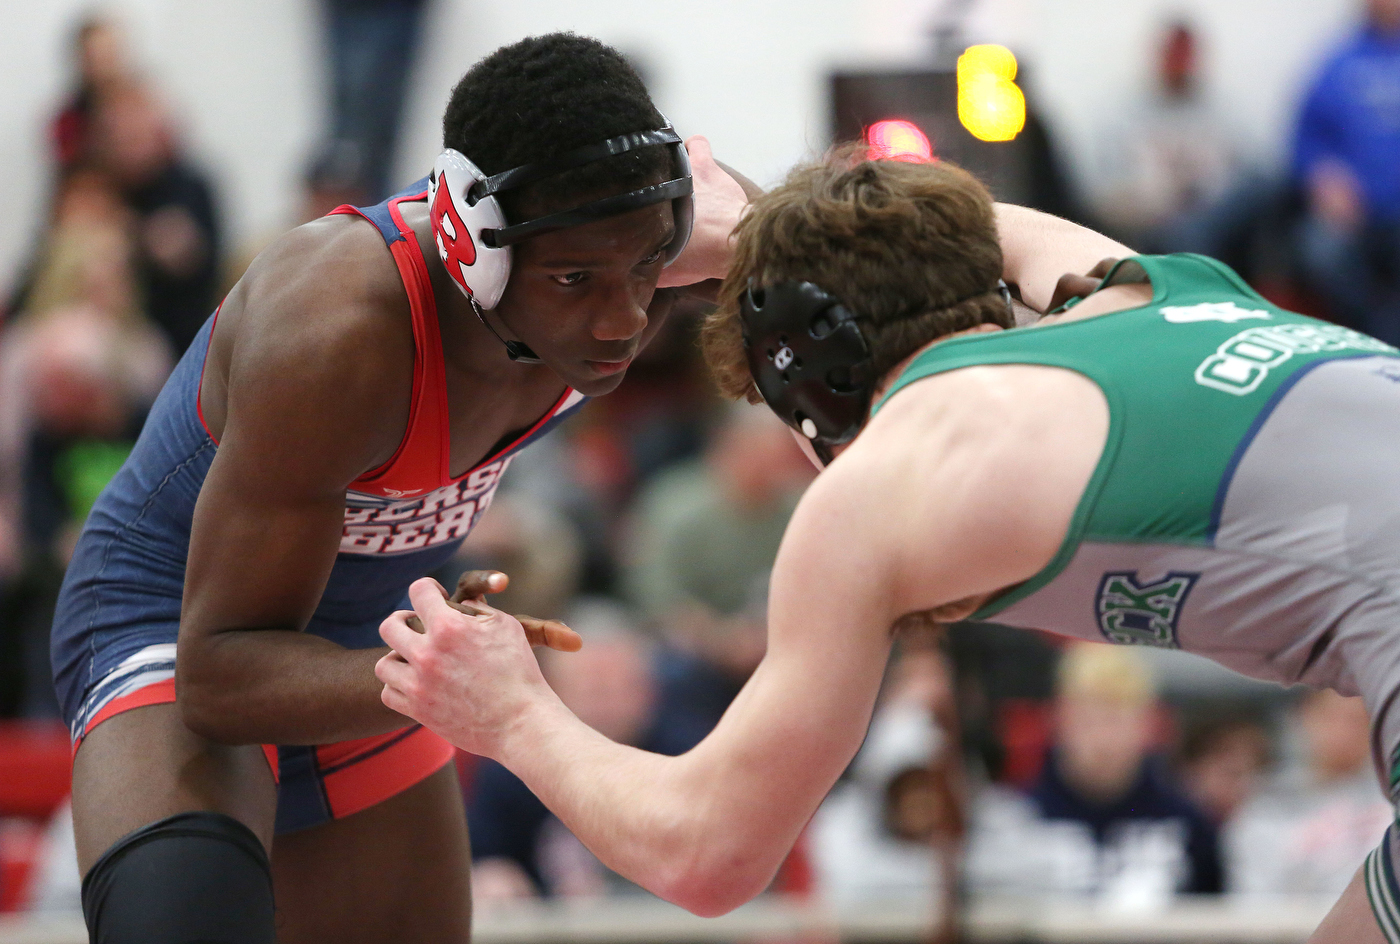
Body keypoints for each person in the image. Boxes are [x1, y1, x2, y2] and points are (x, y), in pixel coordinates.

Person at [379, 146, 1400, 943]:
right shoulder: (1159, 285)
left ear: (811, 388)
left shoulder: (885, 479)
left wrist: (510, 713)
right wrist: (759, 231)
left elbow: (706, 852)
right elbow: (959, 227)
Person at [52, 33, 749, 944]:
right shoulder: (334, 329)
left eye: (646, 272)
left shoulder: (650, 239)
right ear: (477, 248)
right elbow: (219, 676)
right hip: (184, 624)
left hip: (384, 637)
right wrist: (448, 671)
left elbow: (859, 271)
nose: (623, 319)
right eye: (576, 280)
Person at [1292, 0, 1400, 341]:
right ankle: (1373, 343)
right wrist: (1323, 177)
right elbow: (1303, 140)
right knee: (1321, 252)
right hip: (1351, 212)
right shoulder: (1339, 61)